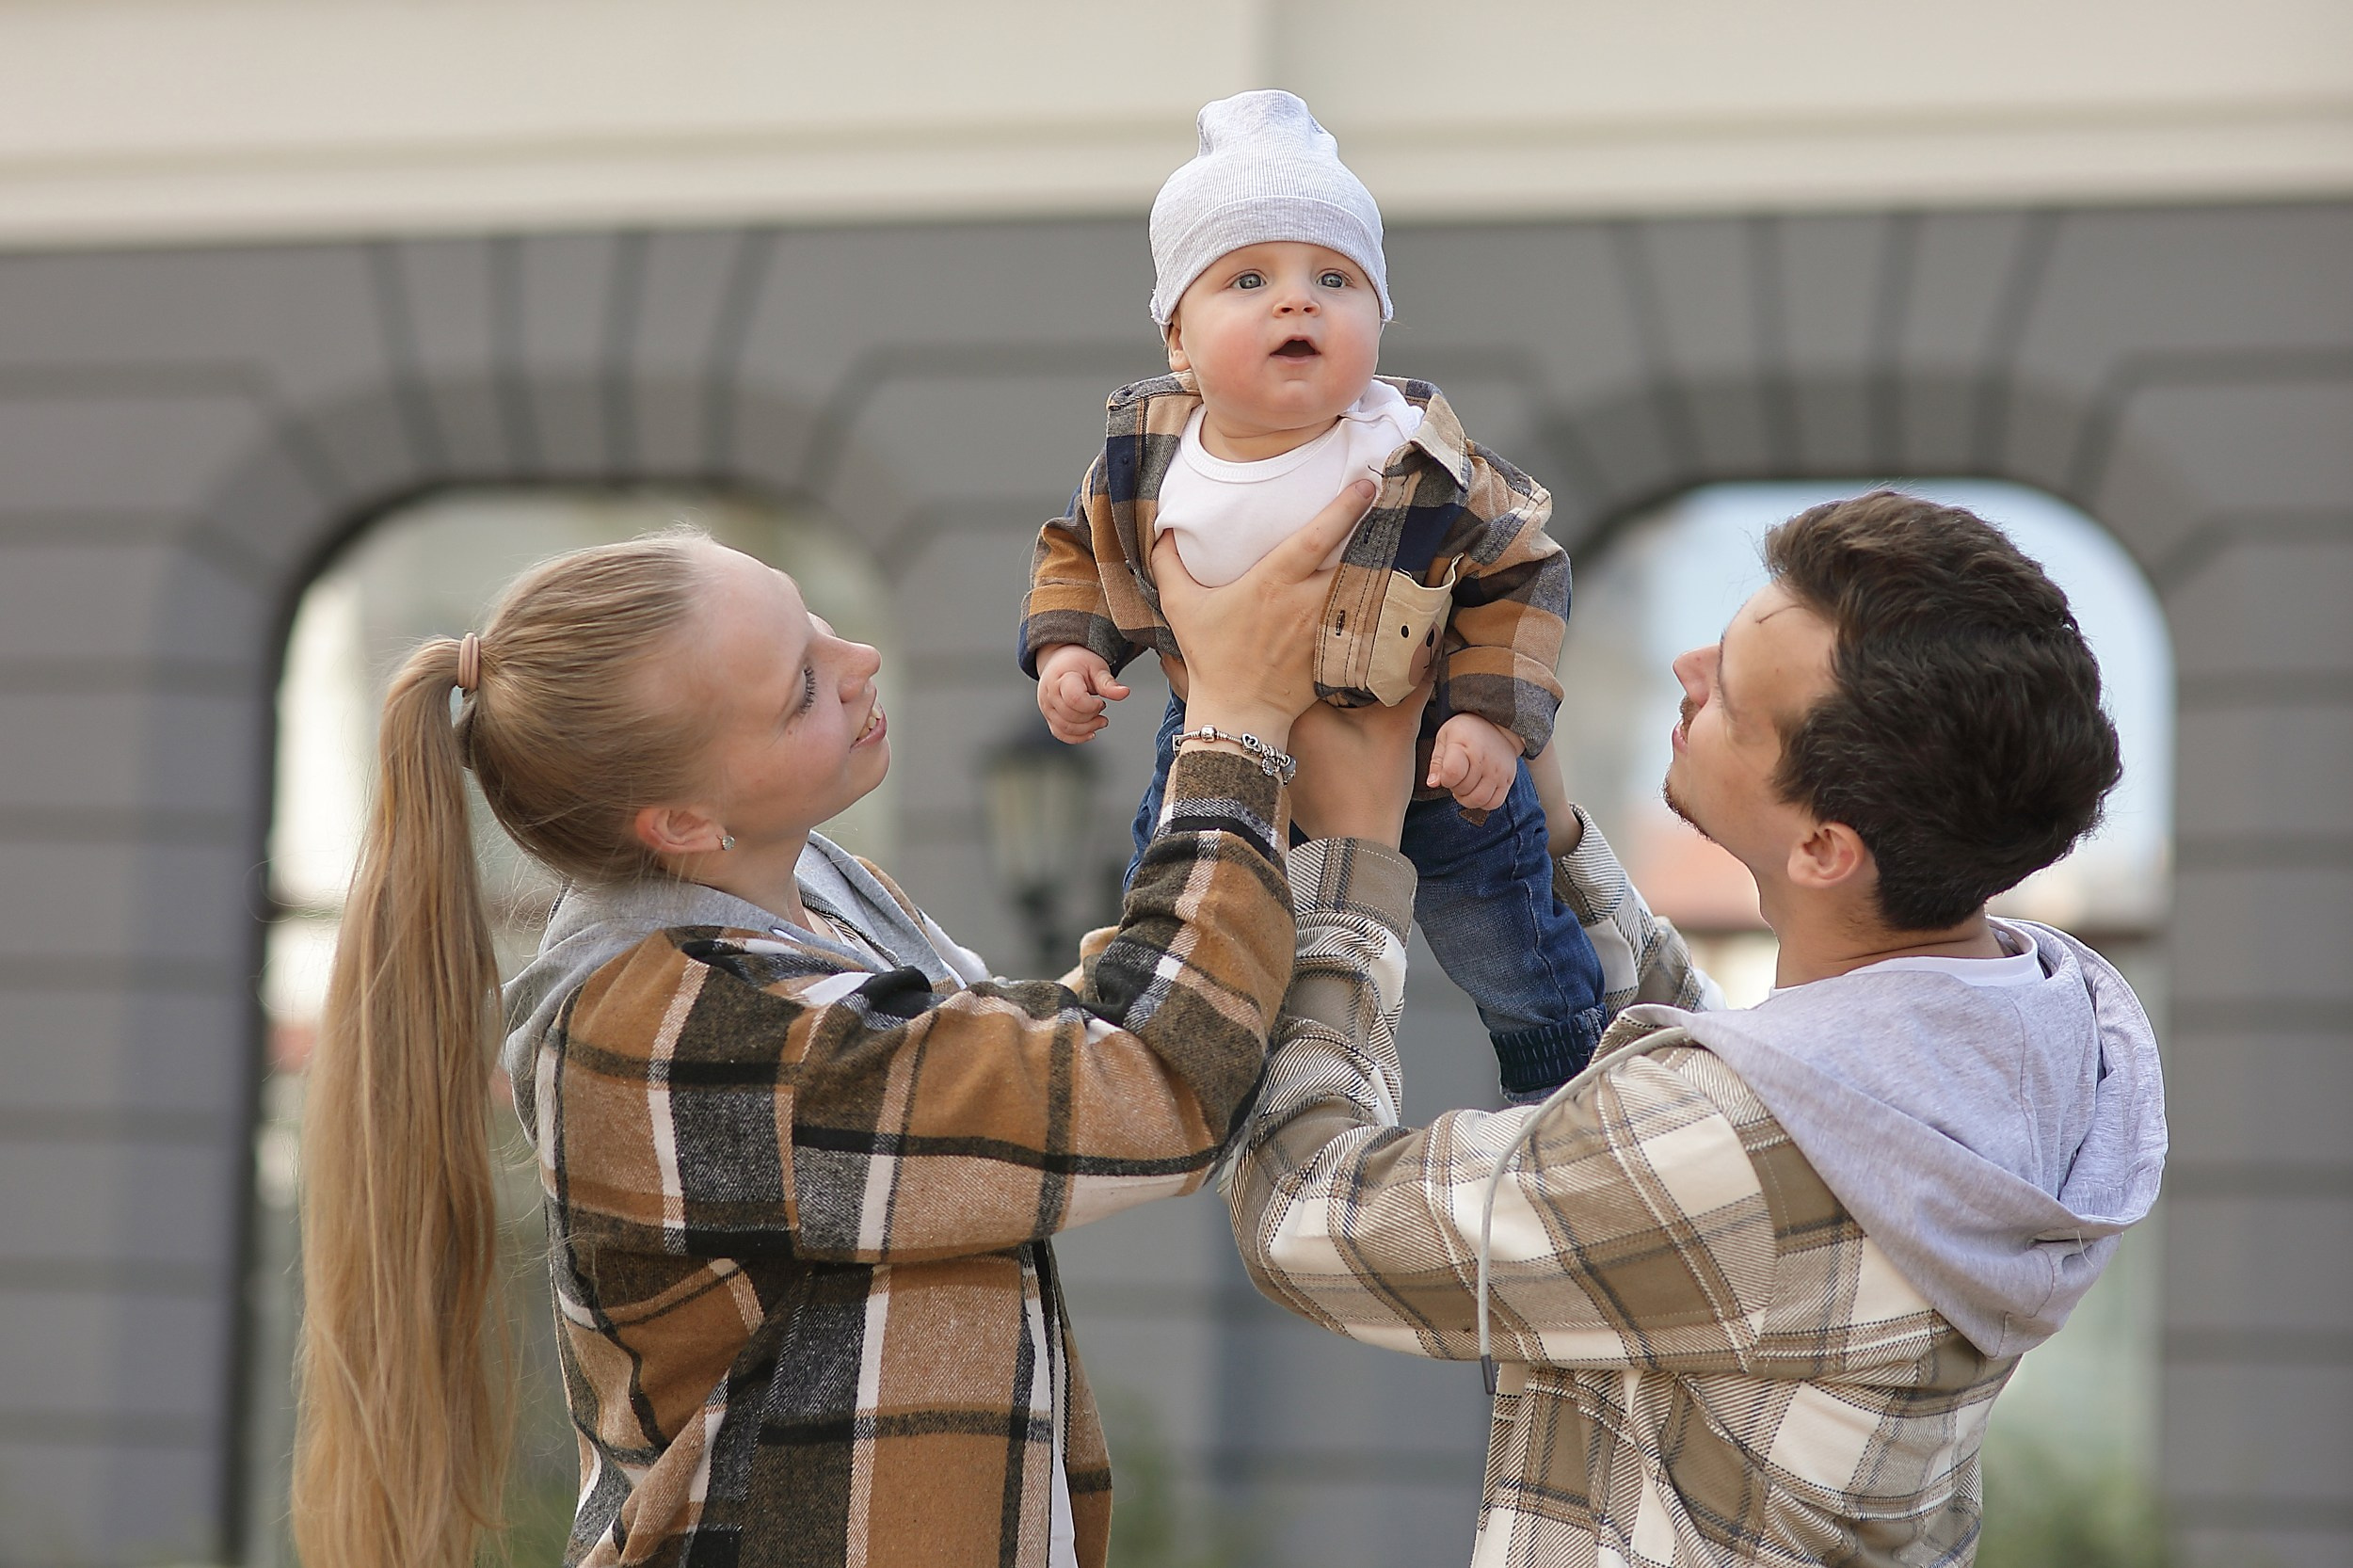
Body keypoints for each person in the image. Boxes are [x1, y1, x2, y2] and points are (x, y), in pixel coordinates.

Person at [289, 487, 1390, 1568]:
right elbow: (1151, 1086)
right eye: (802, 687)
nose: (858, 658)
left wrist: (1247, 756)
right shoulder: (678, 1030)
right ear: (683, 822)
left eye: (813, 619)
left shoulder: (809, 891)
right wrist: (1236, 730)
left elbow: (1054, 1048)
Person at [1227, 491, 2169, 1564]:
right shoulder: (2035, 1031)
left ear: (1823, 848)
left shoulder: (1742, 1149)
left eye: (1730, 693)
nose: (1685, 668)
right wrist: (1545, 814)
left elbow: (1309, 1218)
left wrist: (1346, 861)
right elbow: (1727, 1069)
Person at [1017, 88, 1609, 1100]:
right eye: (1247, 279)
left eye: (1334, 279)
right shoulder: (1144, 450)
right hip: (1212, 730)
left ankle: (1566, 1057)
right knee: (1189, 893)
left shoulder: (1416, 452)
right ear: (1176, 339)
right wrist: (1070, 649)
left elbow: (1521, 573)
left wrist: (1491, 719)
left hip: (1417, 741)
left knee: (1495, 922)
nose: (1297, 301)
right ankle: (1196, 1061)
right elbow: (1080, 547)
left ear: (1378, 316)